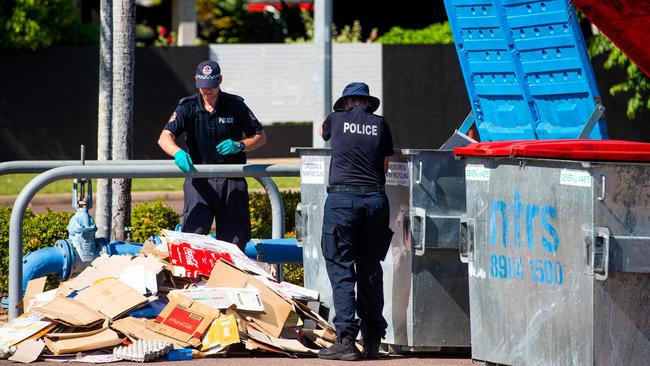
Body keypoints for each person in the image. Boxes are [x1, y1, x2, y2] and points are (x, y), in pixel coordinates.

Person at [318, 82, 394, 361]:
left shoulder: (336, 119)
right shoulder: (381, 124)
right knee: (370, 268)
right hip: (375, 200)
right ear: (368, 102)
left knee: (341, 268)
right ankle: (372, 340)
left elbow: (323, 132)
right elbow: (384, 165)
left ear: (348, 101)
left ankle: (346, 340)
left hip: (342, 202)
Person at [158, 60, 267, 250]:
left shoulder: (235, 105)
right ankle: (195, 279)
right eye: (203, 87)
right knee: (193, 237)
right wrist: (177, 153)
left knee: (234, 241)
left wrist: (240, 145)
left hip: (231, 180)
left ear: (220, 81)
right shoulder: (187, 106)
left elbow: (260, 136)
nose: (207, 92)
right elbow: (164, 137)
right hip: (199, 179)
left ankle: (229, 278)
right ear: (196, 82)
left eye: (211, 86)